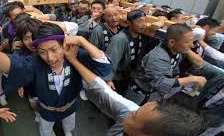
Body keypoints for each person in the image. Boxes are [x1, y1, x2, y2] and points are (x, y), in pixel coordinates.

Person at [0, 0, 112, 136]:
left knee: (69, 127)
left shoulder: (75, 55)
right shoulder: (34, 61)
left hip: (71, 107)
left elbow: (103, 67)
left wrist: (82, 41)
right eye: (43, 51)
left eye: (54, 49)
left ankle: (68, 132)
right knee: (46, 131)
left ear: (64, 43)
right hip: (46, 111)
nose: (50, 58)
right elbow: (12, 65)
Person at [62, 45, 205, 136]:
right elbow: (103, 90)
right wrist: (74, 60)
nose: (131, 112)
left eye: (135, 115)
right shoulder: (131, 111)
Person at [126, 24, 207, 105]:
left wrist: (177, 75)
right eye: (187, 42)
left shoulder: (177, 52)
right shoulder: (158, 57)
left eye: (192, 41)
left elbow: (174, 69)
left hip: (154, 94)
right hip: (140, 95)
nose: (192, 45)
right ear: (172, 42)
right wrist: (193, 79)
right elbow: (160, 83)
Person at [105, 10, 149, 95]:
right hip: (116, 78)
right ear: (129, 23)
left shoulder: (141, 36)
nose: (144, 24)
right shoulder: (119, 39)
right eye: (140, 21)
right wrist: (108, 79)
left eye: (145, 21)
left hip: (128, 75)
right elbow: (110, 59)